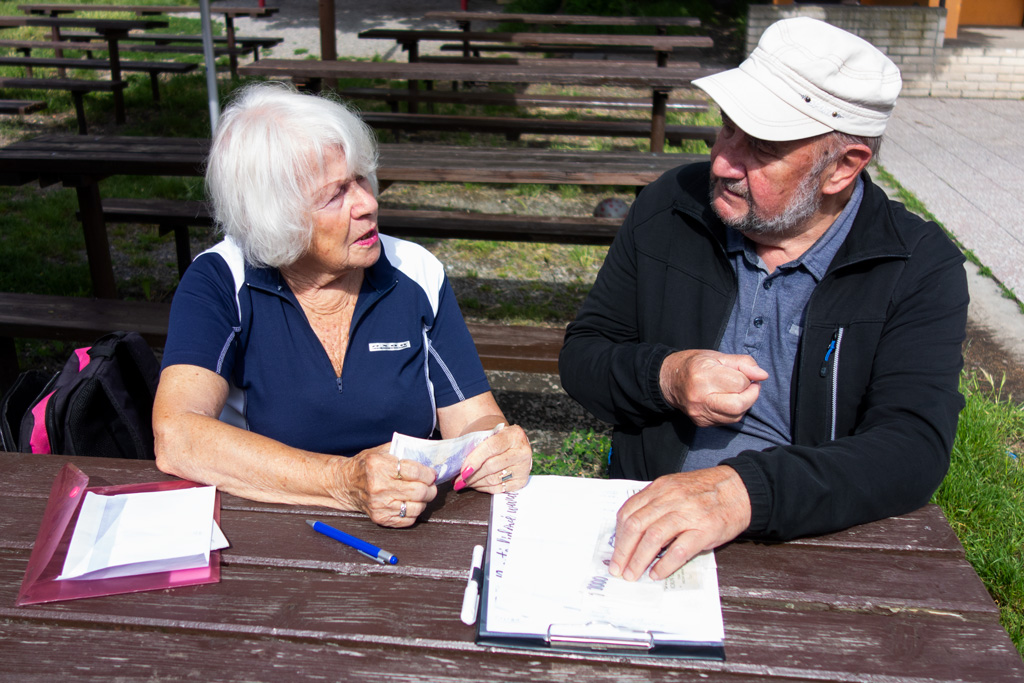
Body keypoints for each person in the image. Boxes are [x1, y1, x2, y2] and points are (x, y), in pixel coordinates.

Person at [559, 18, 967, 581]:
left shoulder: (914, 264)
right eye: (726, 129)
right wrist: (667, 375)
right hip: (643, 518)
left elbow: (912, 448)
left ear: (843, 167)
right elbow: (583, 357)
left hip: (806, 541)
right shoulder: (669, 209)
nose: (723, 162)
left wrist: (739, 492)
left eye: (762, 148)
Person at [153, 82, 532, 527]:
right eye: (335, 194)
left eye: (363, 179)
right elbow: (177, 434)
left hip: (413, 521)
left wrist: (495, 446)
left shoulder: (414, 271)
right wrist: (343, 481)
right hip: (266, 523)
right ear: (275, 215)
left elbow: (474, 416)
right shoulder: (221, 279)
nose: (368, 203)